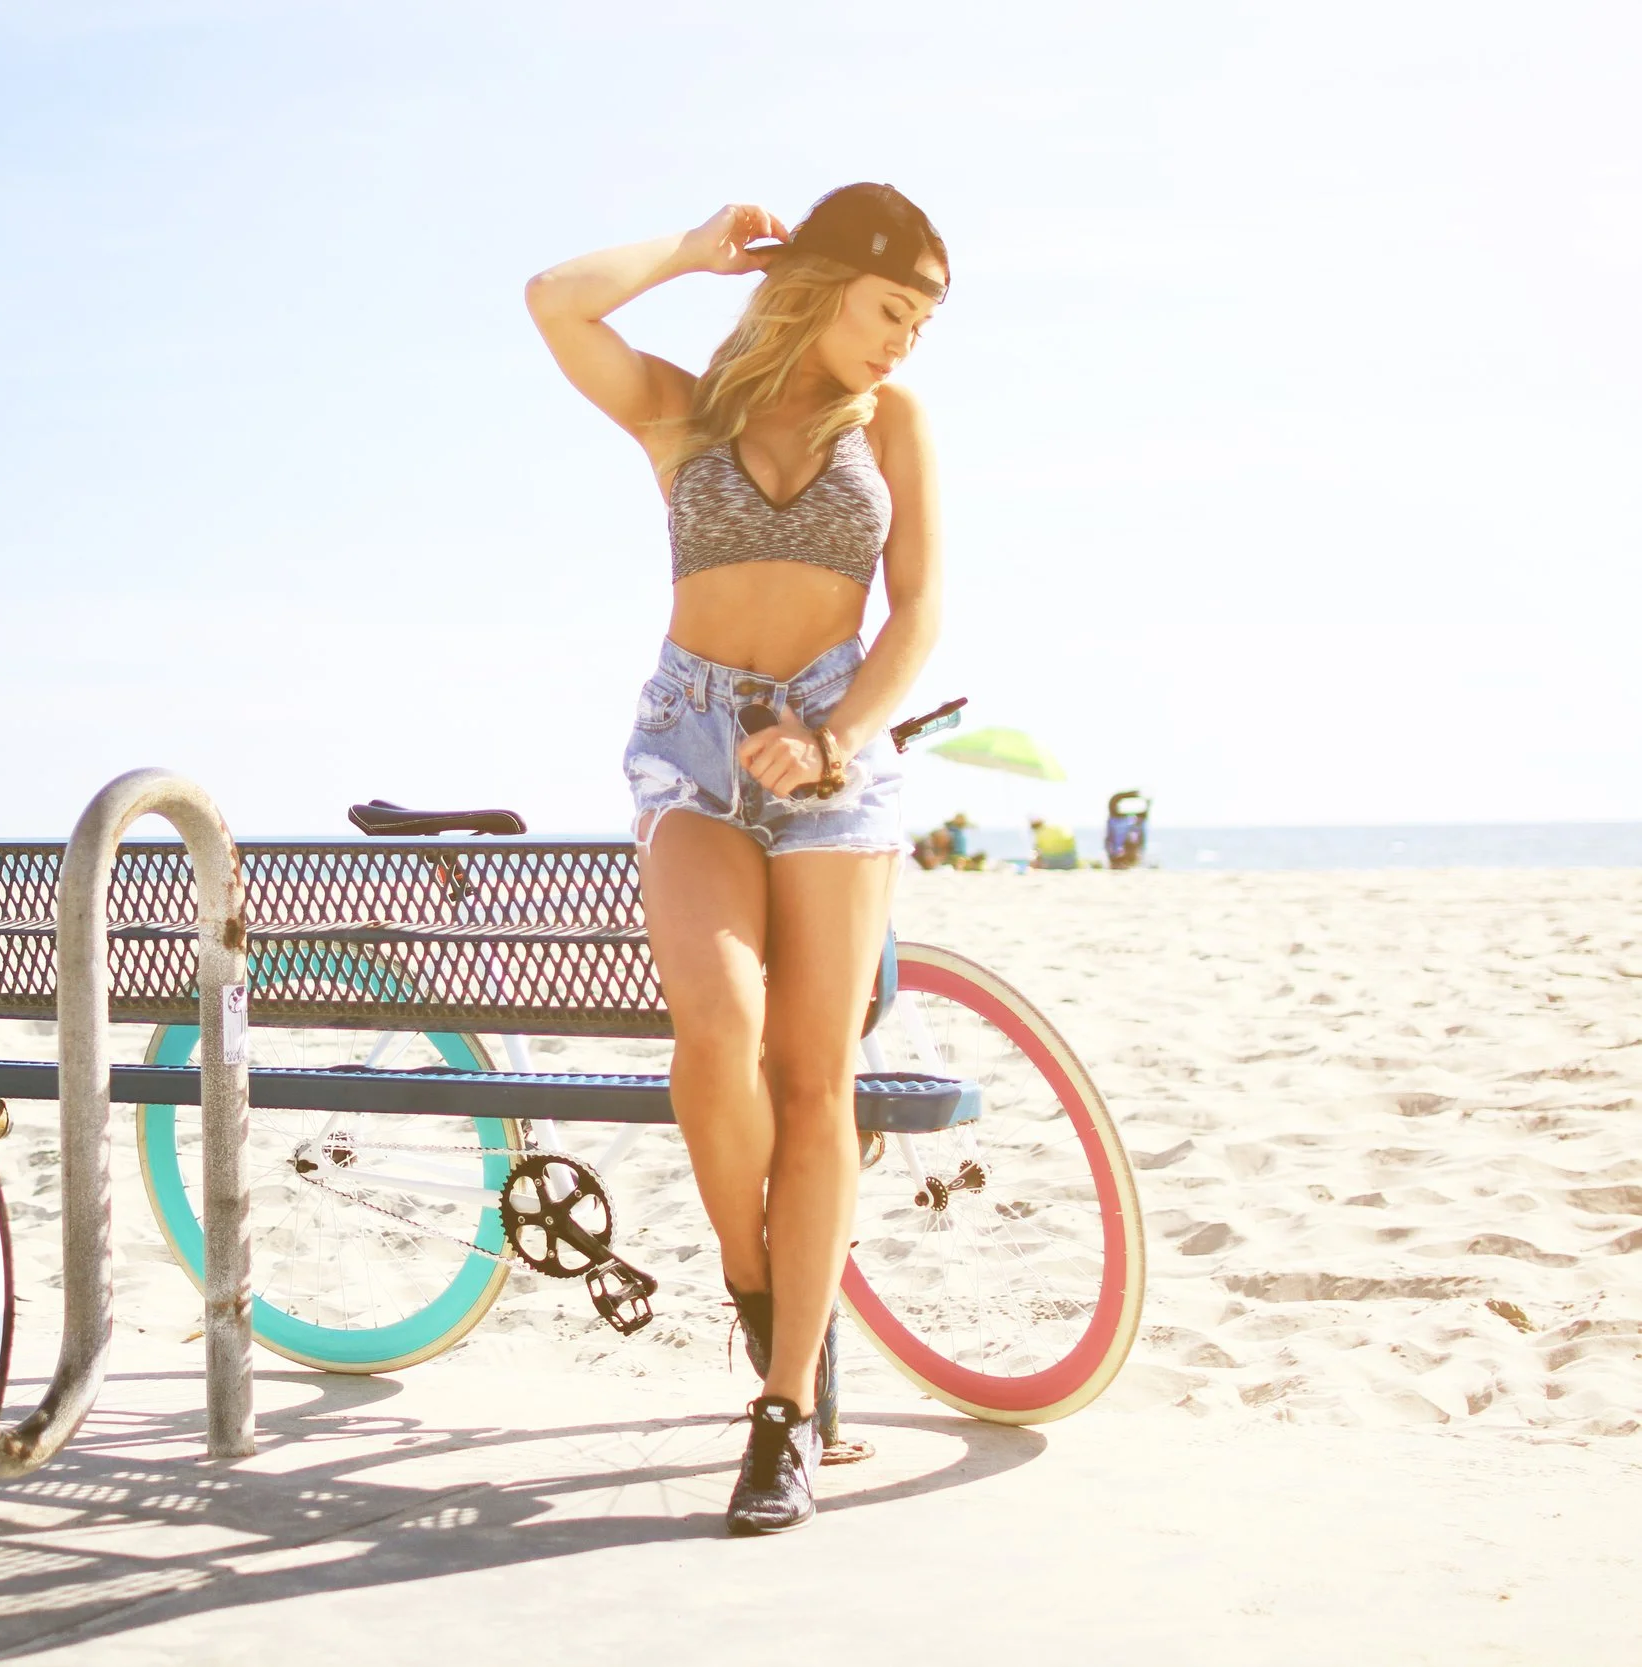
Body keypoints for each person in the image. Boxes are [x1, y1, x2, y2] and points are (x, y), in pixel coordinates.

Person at [527, 184, 947, 1534]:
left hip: (833, 752)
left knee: (814, 1077)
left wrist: (835, 738)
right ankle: (756, 1274)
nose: (903, 344)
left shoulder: (894, 424)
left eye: (923, 321)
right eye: (890, 309)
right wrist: (697, 252)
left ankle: (781, 1416)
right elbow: (554, 301)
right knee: (718, 1029)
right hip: (692, 747)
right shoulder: (686, 415)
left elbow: (921, 614)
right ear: (822, 283)